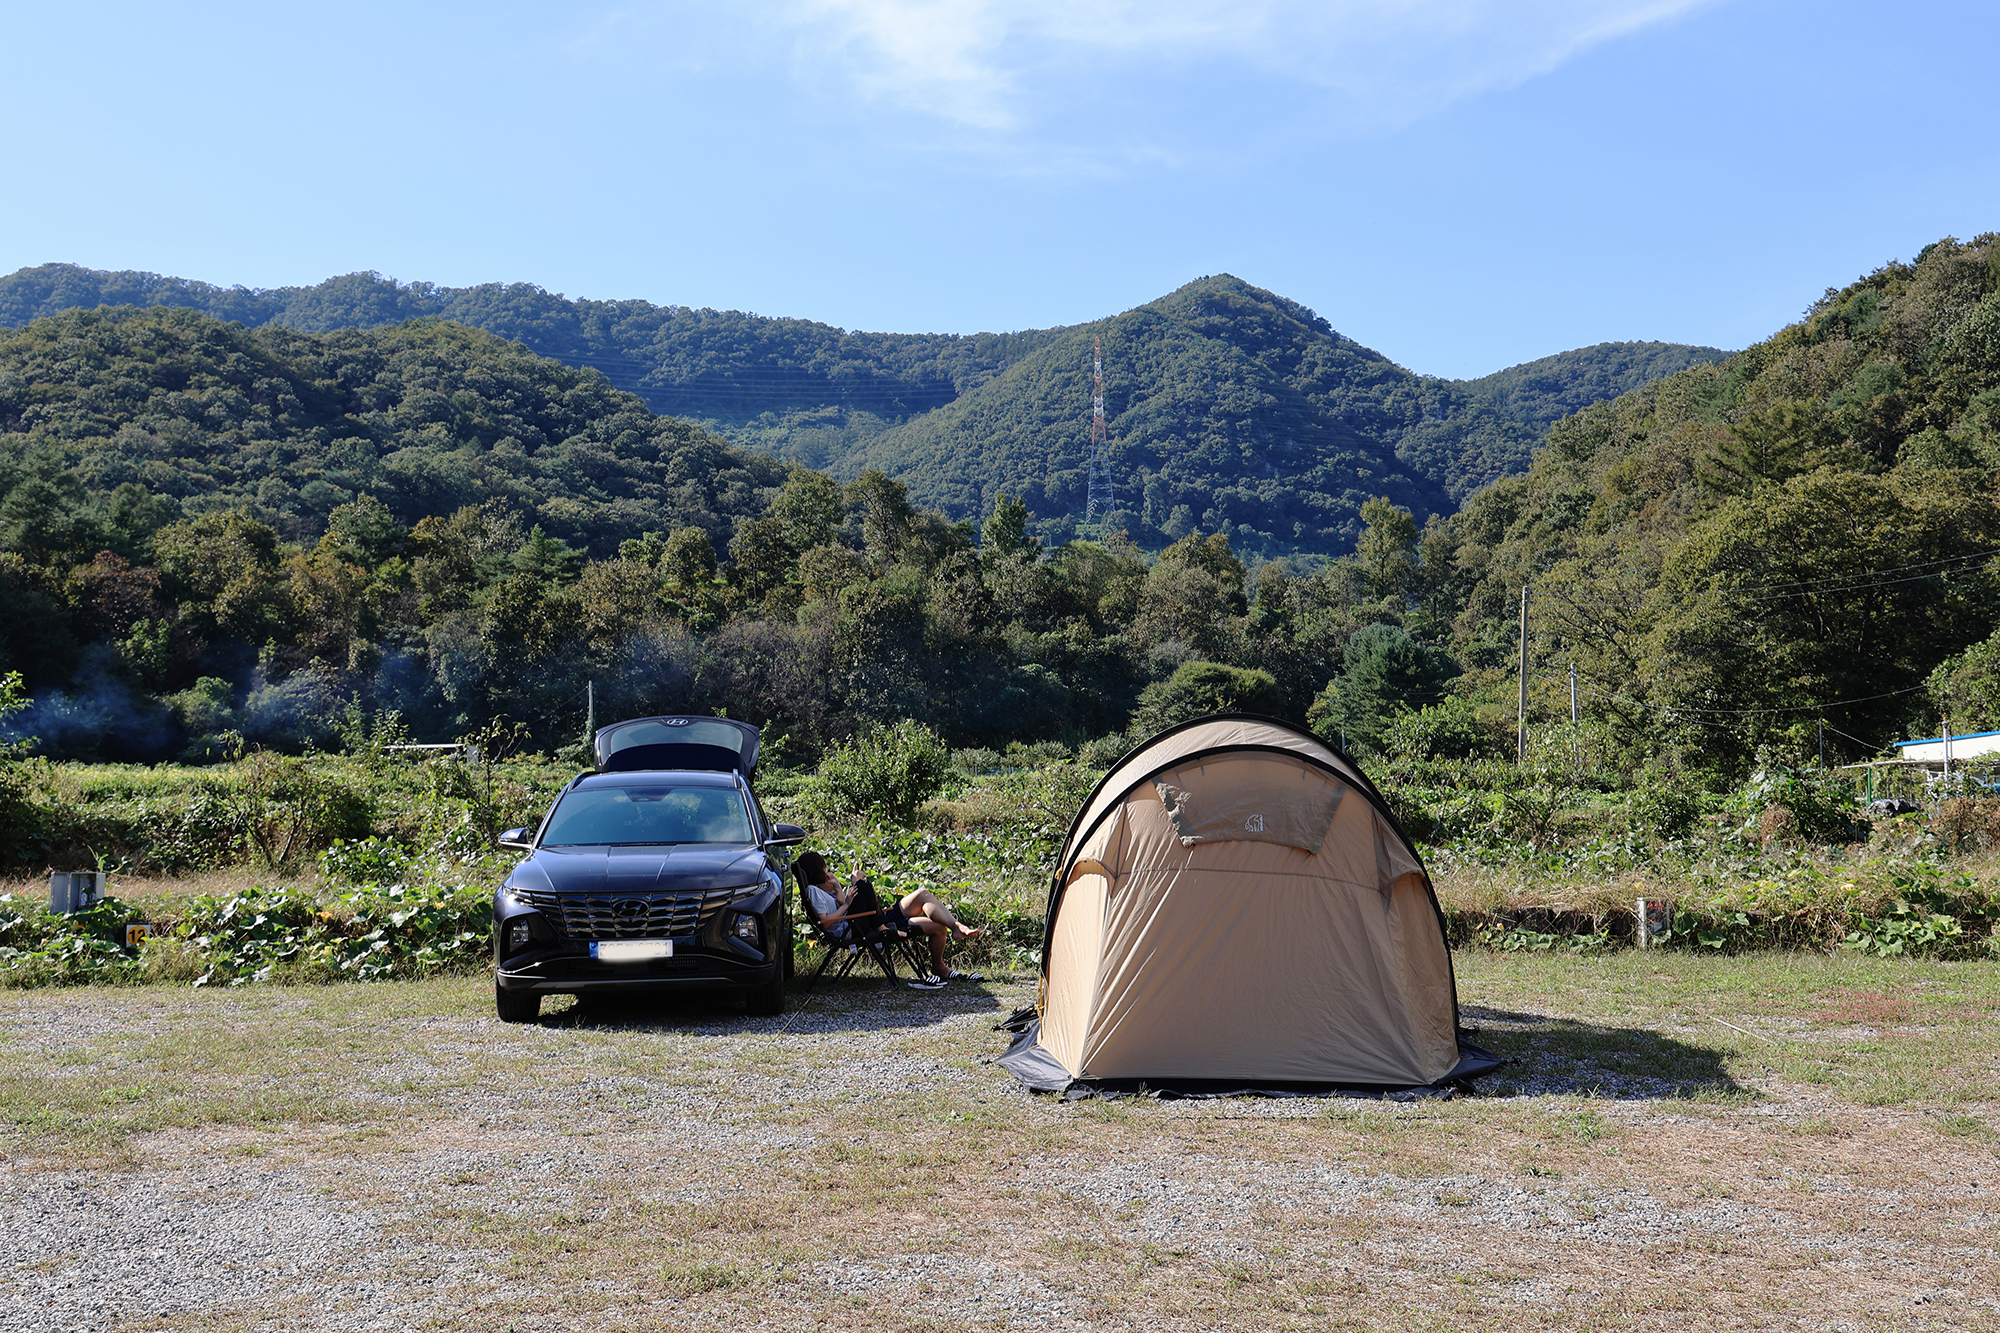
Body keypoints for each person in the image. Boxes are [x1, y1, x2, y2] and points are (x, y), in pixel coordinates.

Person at [794, 849, 983, 982]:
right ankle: (885, 928)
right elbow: (827, 922)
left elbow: (843, 904)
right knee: (862, 885)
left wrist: (837, 888)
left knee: (923, 894)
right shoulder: (813, 891)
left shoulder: (824, 890)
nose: (827, 871)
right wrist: (853, 892)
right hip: (856, 928)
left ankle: (956, 928)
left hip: (868, 919)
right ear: (817, 871)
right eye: (824, 868)